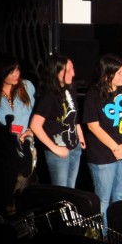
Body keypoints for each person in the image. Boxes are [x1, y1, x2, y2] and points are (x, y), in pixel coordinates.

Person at [82, 54, 122, 228]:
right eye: (120, 72)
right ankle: (105, 235)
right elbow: (93, 126)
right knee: (104, 199)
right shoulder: (93, 94)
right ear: (108, 75)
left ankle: (119, 233)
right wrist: (116, 147)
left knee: (121, 197)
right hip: (103, 155)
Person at [0, 52, 37, 212]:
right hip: (4, 152)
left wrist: (32, 130)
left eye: (18, 69)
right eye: (11, 71)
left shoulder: (27, 86)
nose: (16, 74)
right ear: (1, 72)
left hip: (26, 149)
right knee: (6, 199)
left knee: (26, 196)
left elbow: (38, 113)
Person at [30, 54, 86, 188]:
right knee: (61, 191)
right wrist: (55, 148)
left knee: (71, 189)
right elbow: (35, 125)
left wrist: (80, 134)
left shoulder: (70, 88)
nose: (73, 73)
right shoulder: (49, 95)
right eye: (68, 70)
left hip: (74, 146)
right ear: (57, 72)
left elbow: (74, 113)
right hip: (58, 150)